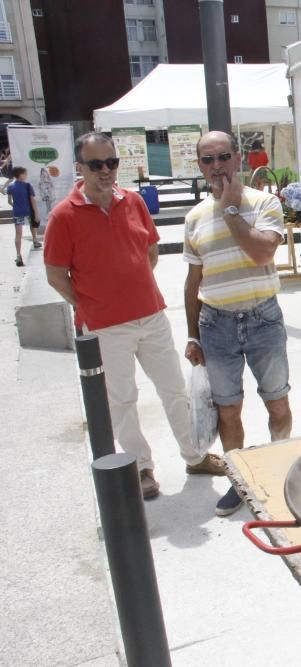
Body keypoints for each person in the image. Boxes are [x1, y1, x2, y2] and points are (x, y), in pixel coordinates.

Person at [45, 132, 225, 500]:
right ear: (79, 167)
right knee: (122, 400)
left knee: (174, 389)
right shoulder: (64, 215)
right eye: (96, 165)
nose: (105, 171)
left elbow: (150, 251)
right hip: (106, 326)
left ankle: (194, 455)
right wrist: (90, 304)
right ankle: (142, 467)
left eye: (111, 163)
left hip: (151, 315)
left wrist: (133, 288)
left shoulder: (133, 201)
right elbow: (55, 275)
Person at [183, 130, 292, 517]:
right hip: (216, 325)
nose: (216, 167)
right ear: (199, 166)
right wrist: (193, 334)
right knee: (229, 410)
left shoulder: (264, 203)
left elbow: (263, 252)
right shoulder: (194, 217)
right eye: (207, 160)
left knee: (277, 402)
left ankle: (278, 471)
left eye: (223, 157)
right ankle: (240, 480)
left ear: (237, 158)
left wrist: (231, 211)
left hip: (263, 318)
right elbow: (193, 281)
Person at [5, 167, 40, 266]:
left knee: (18, 234)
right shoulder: (28, 186)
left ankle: (18, 255)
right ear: (21, 175)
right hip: (28, 211)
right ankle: (35, 240)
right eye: (25, 174)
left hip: (17, 212)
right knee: (32, 225)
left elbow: (9, 201)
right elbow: (33, 201)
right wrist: (36, 213)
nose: (26, 176)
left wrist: (15, 206)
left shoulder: (10, 186)